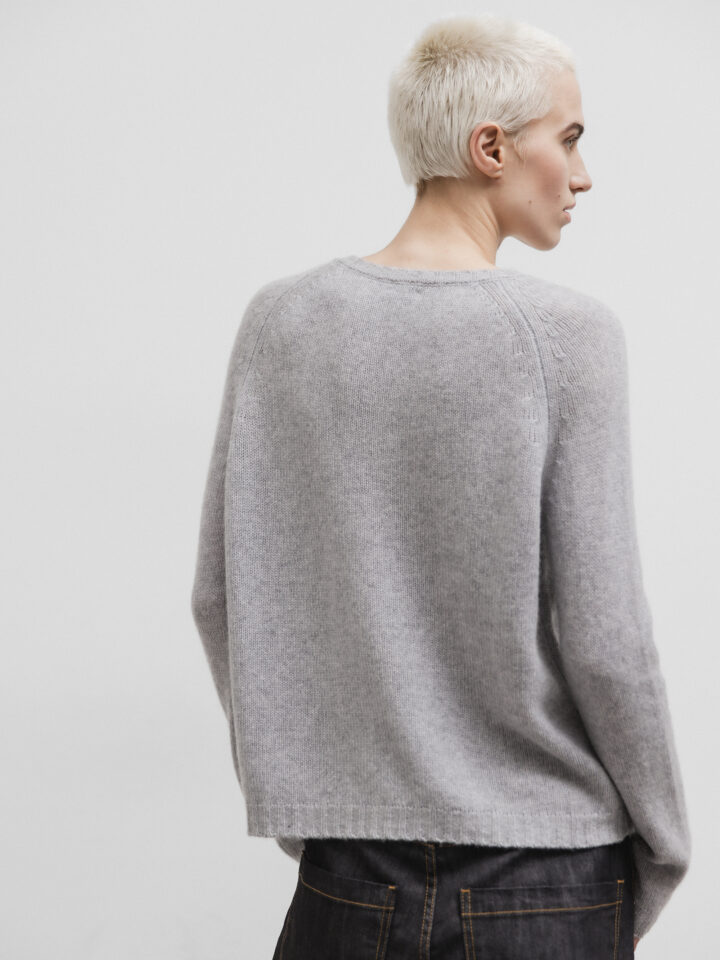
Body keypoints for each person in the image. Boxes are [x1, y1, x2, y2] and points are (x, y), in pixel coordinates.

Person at [190, 13, 691, 958]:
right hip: (549, 871)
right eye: (569, 139)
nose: (583, 174)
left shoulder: (282, 324)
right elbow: (607, 637)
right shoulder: (569, 339)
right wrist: (663, 845)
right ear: (490, 148)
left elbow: (221, 598)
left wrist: (321, 805)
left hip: (350, 874)